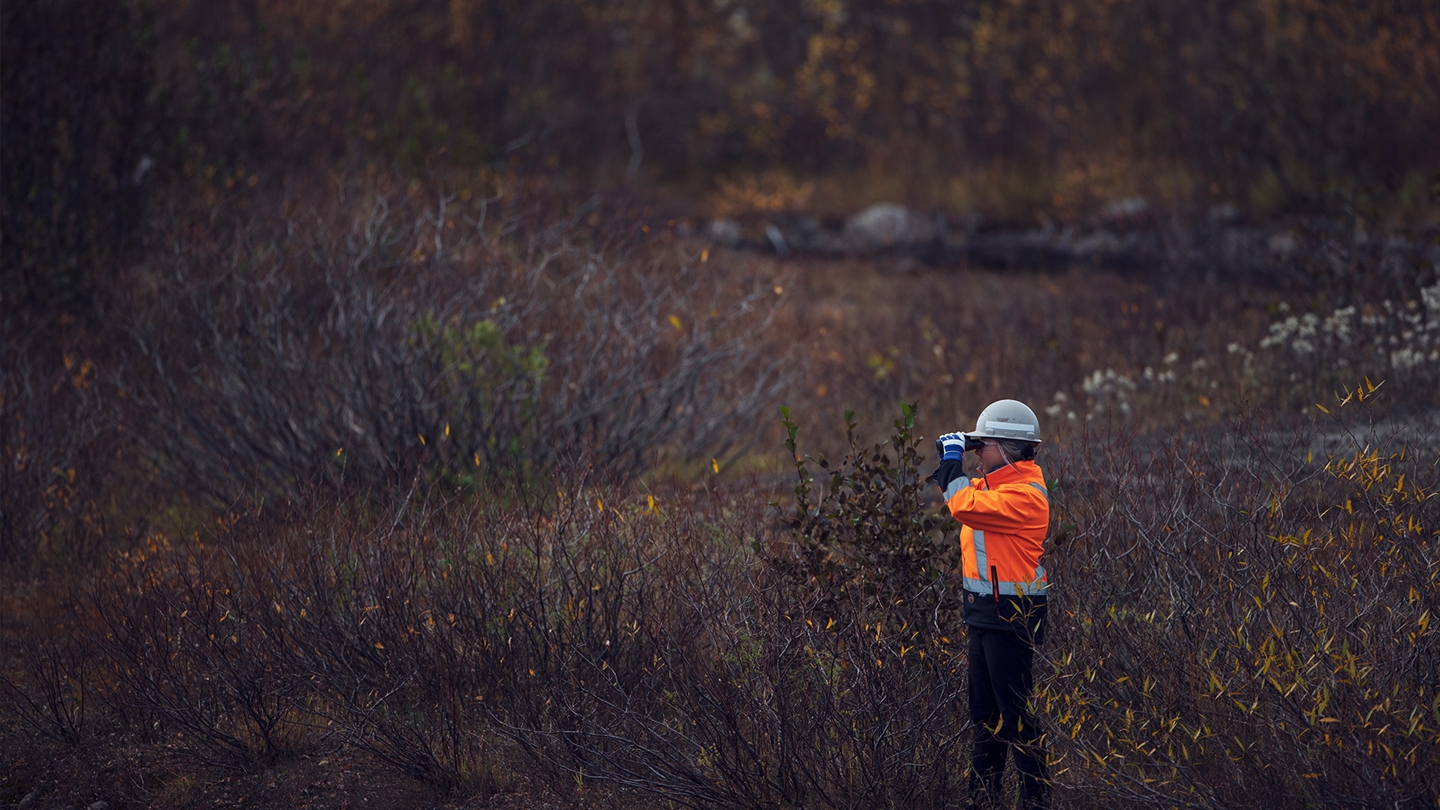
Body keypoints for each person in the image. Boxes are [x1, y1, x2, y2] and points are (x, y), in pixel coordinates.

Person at [930, 399, 1051, 810]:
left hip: (1012, 617)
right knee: (985, 719)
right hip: (984, 615)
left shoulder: (1025, 496)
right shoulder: (996, 484)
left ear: (1009, 447)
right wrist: (963, 446)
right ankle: (982, 800)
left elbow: (961, 503)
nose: (977, 449)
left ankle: (1037, 801)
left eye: (985, 443)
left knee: (1016, 718)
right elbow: (961, 491)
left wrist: (953, 456)